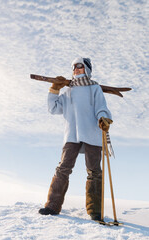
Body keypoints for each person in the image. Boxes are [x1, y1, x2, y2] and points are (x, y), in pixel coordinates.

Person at [38, 57, 113, 221]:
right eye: (73, 67)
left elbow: (101, 107)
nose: (76, 69)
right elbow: (54, 109)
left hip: (91, 132)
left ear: (87, 69)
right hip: (71, 134)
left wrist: (103, 118)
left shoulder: (94, 88)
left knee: (94, 171)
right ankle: (52, 205)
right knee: (63, 168)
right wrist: (54, 90)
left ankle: (95, 210)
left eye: (79, 66)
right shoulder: (68, 90)